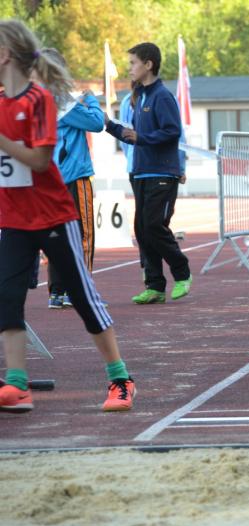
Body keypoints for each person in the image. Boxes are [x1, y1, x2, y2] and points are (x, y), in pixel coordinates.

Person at [0, 19, 135, 413]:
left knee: (81, 296)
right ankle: (17, 385)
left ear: (5, 54)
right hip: (14, 220)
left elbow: (40, 160)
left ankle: (120, 379)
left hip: (53, 217)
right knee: (7, 298)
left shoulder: (40, 100)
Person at [105, 42, 192, 304]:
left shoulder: (162, 96)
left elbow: (172, 132)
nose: (129, 68)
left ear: (148, 64)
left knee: (154, 225)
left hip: (162, 173)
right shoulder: (139, 96)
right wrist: (108, 125)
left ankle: (182, 272)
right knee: (142, 230)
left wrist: (142, 138)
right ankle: (154, 286)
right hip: (141, 172)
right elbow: (132, 136)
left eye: (133, 63)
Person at [32, 48, 105, 310]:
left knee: (55, 235)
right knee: (83, 234)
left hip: (50, 178)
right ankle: (81, 291)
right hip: (75, 176)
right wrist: (91, 99)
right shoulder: (62, 99)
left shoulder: (38, 99)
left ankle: (57, 291)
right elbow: (97, 123)